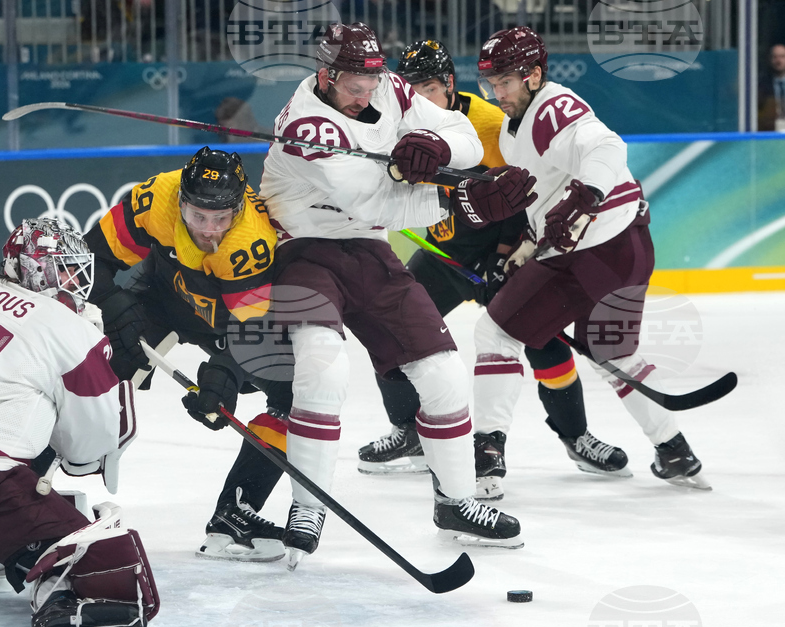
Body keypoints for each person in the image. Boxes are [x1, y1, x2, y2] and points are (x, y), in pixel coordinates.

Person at [260, 22, 534, 567]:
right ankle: (308, 503)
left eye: (370, 81)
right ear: (325, 74)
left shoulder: (388, 86)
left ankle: (455, 501)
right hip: (302, 249)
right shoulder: (304, 124)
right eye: (353, 86)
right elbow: (373, 201)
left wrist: (432, 145)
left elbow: (459, 128)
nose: (366, 95)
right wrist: (462, 195)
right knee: (323, 367)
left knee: (444, 375)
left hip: (365, 249)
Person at [359, 39, 630, 502]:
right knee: (389, 328)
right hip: (446, 254)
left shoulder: (490, 124)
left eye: (428, 87)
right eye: (411, 89)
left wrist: (510, 250)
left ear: (448, 84)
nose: (419, 99)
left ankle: (577, 437)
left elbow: (528, 195)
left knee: (541, 343)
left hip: (499, 253)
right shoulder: (395, 128)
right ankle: (409, 431)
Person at [459, 26, 709, 492]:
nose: (498, 92)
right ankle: (674, 449)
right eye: (492, 84)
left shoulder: (554, 106)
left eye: (506, 82)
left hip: (596, 251)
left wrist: (585, 195)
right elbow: (544, 204)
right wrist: (520, 255)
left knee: (495, 332)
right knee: (615, 354)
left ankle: (486, 455)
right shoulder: (516, 129)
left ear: (534, 75)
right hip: (624, 248)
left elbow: (608, 147)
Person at [0, 217, 158, 627]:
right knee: (110, 566)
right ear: (33, 270)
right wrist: (107, 374)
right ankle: (48, 587)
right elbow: (91, 449)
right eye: (62, 270)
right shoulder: (66, 327)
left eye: (77, 271)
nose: (74, 282)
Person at [84, 146, 293, 563]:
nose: (210, 230)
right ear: (181, 201)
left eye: (221, 218)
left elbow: (252, 328)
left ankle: (235, 512)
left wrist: (225, 378)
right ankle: (13, 483)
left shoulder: (250, 240)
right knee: (90, 372)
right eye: (199, 216)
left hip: (231, 327)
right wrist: (113, 304)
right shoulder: (157, 196)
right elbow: (91, 259)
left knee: (297, 396)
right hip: (161, 300)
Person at [758, 44, 785, 132]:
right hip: (769, 132)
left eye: (782, 57)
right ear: (770, 60)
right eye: (775, 57)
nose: (778, 61)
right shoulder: (761, 84)